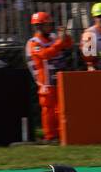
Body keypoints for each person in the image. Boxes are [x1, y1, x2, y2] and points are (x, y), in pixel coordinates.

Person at [26, 11, 72, 142]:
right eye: (48, 24)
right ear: (39, 26)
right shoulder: (34, 43)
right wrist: (59, 42)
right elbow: (46, 54)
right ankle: (50, 136)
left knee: (60, 108)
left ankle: (61, 134)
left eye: (51, 24)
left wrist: (65, 36)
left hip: (59, 79)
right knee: (48, 110)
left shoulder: (52, 38)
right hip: (45, 82)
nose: (51, 27)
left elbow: (67, 44)